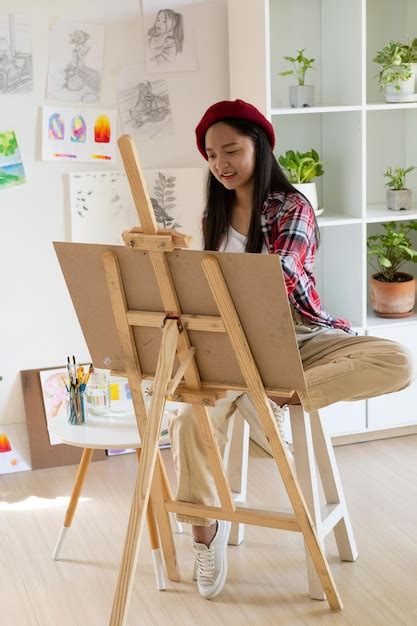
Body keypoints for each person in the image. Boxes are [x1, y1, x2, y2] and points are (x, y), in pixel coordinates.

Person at [168, 98, 414, 600]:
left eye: (231, 150)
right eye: (212, 156)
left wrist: (211, 278)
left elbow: (280, 272)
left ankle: (278, 397)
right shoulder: (212, 215)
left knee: (396, 359)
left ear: (258, 144)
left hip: (296, 336)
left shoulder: (291, 206)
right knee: (188, 421)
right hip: (231, 348)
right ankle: (204, 534)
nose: (221, 164)